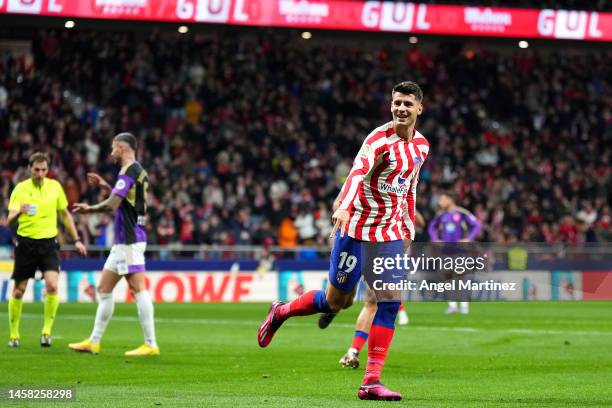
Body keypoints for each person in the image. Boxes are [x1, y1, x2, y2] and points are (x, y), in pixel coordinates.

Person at [257, 81, 429, 401]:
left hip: (387, 234)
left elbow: (410, 186)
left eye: (408, 104)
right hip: (356, 229)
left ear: (420, 108)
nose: (401, 109)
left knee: (389, 300)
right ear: (390, 106)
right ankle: (280, 312)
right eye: (396, 103)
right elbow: (356, 173)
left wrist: (408, 227)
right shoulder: (378, 140)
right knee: (337, 301)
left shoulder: (421, 147)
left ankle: (371, 381)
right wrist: (346, 207)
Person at [68, 132, 159, 356]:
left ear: (121, 147)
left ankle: (150, 344)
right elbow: (125, 201)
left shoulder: (128, 171)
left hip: (129, 240)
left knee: (138, 289)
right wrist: (107, 186)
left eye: (113, 148)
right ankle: (94, 341)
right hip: (124, 241)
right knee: (104, 289)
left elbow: (112, 206)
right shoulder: (138, 171)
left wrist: (90, 209)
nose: (111, 152)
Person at [322, 209, 426, 370]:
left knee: (372, 301)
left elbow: (418, 222)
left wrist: (409, 210)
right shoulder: (363, 188)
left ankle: (353, 351)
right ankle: (331, 307)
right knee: (344, 301)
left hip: (384, 251)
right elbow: (340, 204)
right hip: (358, 243)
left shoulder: (402, 190)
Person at [7, 152, 87, 348]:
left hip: (49, 245)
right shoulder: (20, 189)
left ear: (48, 170)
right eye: (37, 170)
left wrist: (76, 239)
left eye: (44, 170)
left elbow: (65, 215)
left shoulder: (55, 187)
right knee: (19, 291)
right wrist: (20, 211)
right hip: (26, 244)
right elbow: (9, 221)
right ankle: (14, 335)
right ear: (29, 169)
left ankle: (46, 332)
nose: (40, 174)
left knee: (52, 286)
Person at [428, 191, 482, 315]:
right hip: (445, 252)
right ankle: (452, 306)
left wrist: (470, 238)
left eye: (442, 199)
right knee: (446, 279)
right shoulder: (441, 215)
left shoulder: (462, 213)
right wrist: (435, 239)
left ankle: (464, 306)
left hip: (460, 251)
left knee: (461, 278)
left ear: (450, 200)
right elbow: (431, 227)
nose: (439, 202)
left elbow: (477, 225)